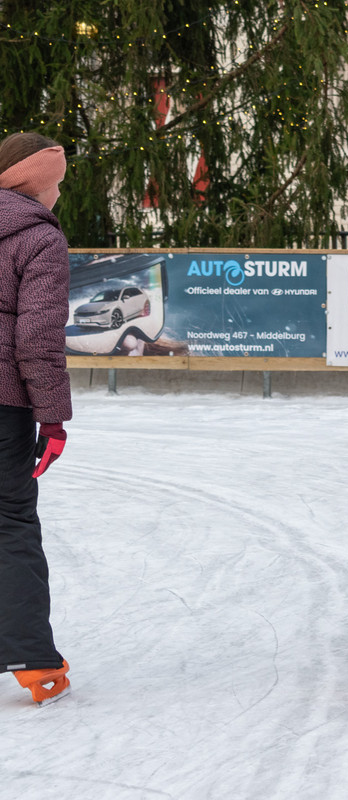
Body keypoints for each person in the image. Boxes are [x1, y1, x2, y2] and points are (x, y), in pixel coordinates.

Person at [0, 132, 74, 705]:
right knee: (10, 521)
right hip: (5, 404)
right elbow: (36, 338)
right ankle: (31, 660)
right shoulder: (37, 238)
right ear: (40, 184)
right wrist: (52, 419)